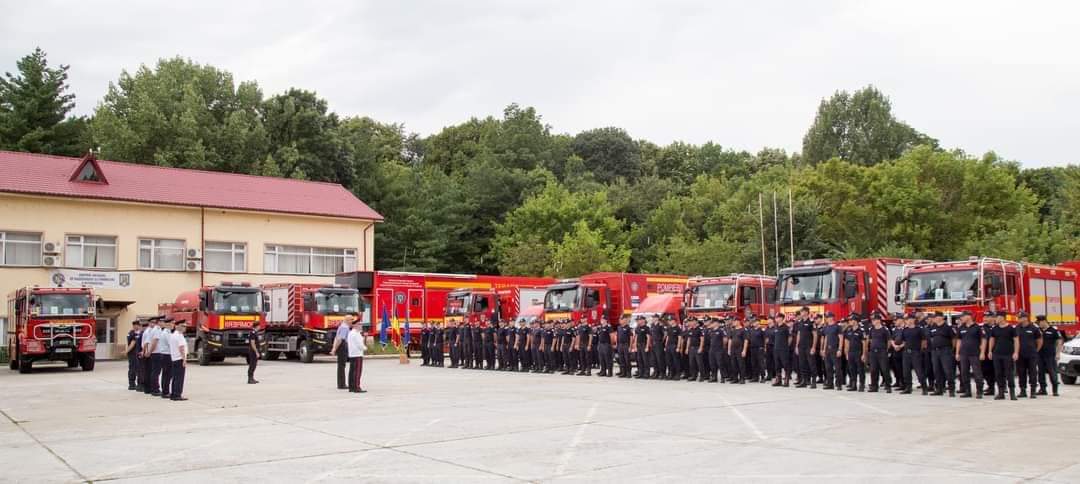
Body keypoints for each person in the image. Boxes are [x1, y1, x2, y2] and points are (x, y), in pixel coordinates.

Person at [987, 311, 1018, 400]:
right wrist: (990, 351)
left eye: (997, 317)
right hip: (997, 354)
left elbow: (1016, 341)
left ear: (1002, 318)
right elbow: (992, 340)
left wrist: (1016, 352)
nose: (995, 319)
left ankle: (1012, 393)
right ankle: (1001, 393)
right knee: (998, 374)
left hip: (1008, 354)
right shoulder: (995, 329)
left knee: (1009, 374)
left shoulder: (1011, 328)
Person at [955, 312, 986, 399]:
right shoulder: (961, 328)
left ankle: (979, 391)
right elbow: (959, 341)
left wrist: (982, 352)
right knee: (964, 373)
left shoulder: (977, 327)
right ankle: (967, 391)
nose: (961, 318)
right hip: (963, 354)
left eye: (963, 317)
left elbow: (983, 340)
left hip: (974, 353)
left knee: (977, 373)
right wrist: (957, 353)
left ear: (968, 317)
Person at [895, 314, 927, 395]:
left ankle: (924, 388)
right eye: (907, 319)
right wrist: (899, 346)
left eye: (910, 319)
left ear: (913, 320)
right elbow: (903, 341)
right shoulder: (905, 330)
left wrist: (921, 350)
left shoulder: (919, 329)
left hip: (916, 352)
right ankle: (908, 388)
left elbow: (924, 341)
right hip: (906, 352)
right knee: (906, 371)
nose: (908, 320)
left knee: (919, 371)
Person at [927, 312, 956, 397]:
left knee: (948, 371)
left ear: (941, 317)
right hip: (935, 351)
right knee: (937, 370)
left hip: (945, 350)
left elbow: (954, 339)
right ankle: (939, 389)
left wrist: (951, 349)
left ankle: (951, 389)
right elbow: (931, 338)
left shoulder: (948, 327)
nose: (934, 319)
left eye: (936, 317)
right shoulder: (933, 327)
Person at [1015, 312, 1043, 399]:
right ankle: (1023, 391)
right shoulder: (1017, 328)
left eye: (1020, 318)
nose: (1018, 319)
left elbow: (1040, 340)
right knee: (1021, 372)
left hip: (1031, 354)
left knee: (1033, 372)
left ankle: (1033, 391)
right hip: (1020, 355)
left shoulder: (1034, 328)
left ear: (1025, 318)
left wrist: (1036, 350)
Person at [1037, 315, 1063, 397]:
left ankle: (1055, 390)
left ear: (1044, 321)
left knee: (1052, 372)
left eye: (1039, 322)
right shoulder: (1038, 330)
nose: (1039, 324)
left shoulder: (1053, 330)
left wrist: (1058, 353)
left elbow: (1059, 341)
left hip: (1050, 355)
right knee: (1040, 372)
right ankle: (1043, 389)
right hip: (1040, 355)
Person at [794, 307, 818, 389]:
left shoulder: (811, 322)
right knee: (802, 364)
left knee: (811, 364)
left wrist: (813, 347)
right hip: (801, 346)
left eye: (802, 311)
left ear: (807, 312)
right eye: (801, 311)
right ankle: (804, 381)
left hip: (809, 346)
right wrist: (797, 346)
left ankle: (813, 381)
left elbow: (815, 335)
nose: (801, 313)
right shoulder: (800, 322)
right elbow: (798, 334)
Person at [867, 314, 891, 393]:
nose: (872, 321)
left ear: (878, 320)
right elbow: (870, 340)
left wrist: (887, 350)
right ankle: (874, 386)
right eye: (872, 320)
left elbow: (888, 341)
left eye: (874, 320)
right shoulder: (871, 329)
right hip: (873, 352)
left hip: (882, 352)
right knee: (873, 370)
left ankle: (888, 386)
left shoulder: (885, 329)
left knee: (884, 369)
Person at [819, 313, 843, 390]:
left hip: (835, 349)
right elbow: (826, 338)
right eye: (826, 317)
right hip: (827, 350)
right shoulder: (825, 327)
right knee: (828, 368)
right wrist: (823, 349)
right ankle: (830, 384)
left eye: (829, 317)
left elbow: (841, 338)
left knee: (837, 368)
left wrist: (839, 349)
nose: (828, 318)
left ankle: (838, 384)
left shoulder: (837, 327)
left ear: (832, 317)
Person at [843, 317, 866, 392]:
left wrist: (864, 354)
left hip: (858, 352)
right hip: (851, 353)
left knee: (860, 369)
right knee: (852, 369)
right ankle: (853, 385)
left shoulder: (861, 331)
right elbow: (847, 342)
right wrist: (846, 353)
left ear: (855, 321)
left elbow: (864, 343)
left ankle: (862, 384)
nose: (850, 322)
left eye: (851, 320)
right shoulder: (849, 331)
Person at [330, 315, 353, 389]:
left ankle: (341, 383)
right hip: (342, 346)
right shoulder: (345, 327)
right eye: (351, 320)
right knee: (342, 366)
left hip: (341, 346)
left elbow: (336, 338)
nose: (352, 321)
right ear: (347, 320)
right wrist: (334, 349)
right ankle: (342, 384)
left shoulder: (342, 326)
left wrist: (334, 348)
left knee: (341, 366)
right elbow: (340, 339)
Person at [169, 320, 189, 401]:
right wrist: (184, 359)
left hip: (174, 358)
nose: (184, 328)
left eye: (185, 326)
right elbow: (181, 348)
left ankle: (173, 394)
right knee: (179, 378)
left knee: (175, 377)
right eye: (182, 326)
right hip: (179, 359)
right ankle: (177, 394)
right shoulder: (179, 335)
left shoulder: (173, 335)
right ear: (177, 326)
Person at [347, 319, 368, 393]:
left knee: (352, 371)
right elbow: (360, 345)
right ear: (355, 325)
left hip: (352, 354)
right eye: (359, 324)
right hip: (357, 354)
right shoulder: (355, 334)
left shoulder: (351, 333)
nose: (361, 326)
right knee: (357, 371)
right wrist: (365, 348)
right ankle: (356, 387)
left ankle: (351, 387)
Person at [156, 318, 174, 399]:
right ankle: (165, 392)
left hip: (165, 355)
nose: (173, 325)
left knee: (166, 374)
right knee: (167, 374)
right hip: (166, 355)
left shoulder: (167, 332)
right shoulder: (166, 333)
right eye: (172, 323)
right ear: (168, 324)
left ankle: (165, 391)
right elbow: (171, 344)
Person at [772, 316, 793, 387]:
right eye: (776, 317)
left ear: (781, 318)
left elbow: (790, 337)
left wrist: (786, 346)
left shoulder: (786, 327)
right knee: (777, 365)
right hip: (776, 349)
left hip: (783, 349)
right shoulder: (775, 327)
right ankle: (778, 380)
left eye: (777, 317)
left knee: (785, 364)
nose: (776, 319)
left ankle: (786, 380)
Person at [143, 317, 161, 395]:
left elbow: (146, 342)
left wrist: (146, 352)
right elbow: (153, 342)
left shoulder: (151, 330)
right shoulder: (155, 330)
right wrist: (147, 352)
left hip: (150, 352)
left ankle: (149, 388)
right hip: (155, 353)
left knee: (150, 371)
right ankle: (154, 389)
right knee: (154, 372)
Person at [126, 320, 142, 390]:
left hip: (136, 353)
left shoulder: (132, 333)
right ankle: (132, 384)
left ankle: (135, 384)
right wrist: (126, 351)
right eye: (134, 325)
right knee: (134, 369)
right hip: (133, 354)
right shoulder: (132, 333)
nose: (135, 326)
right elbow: (132, 344)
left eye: (136, 325)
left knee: (136, 369)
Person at [247, 320, 261, 384]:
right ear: (257, 326)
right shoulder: (253, 333)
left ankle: (252, 378)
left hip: (253, 351)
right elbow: (252, 343)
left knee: (254, 365)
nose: (260, 327)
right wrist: (256, 352)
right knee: (252, 365)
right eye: (259, 326)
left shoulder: (254, 332)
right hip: (253, 351)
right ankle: (250, 379)